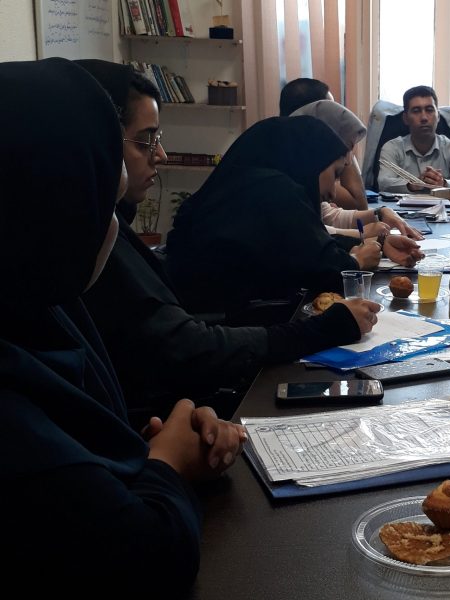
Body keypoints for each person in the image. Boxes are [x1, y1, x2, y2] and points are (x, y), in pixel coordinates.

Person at [0, 57, 245, 596]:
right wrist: (168, 462)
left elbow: (78, 449)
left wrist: (159, 439)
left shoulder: (44, 308)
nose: (109, 224)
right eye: (99, 202)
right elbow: (148, 556)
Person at [74, 60, 381, 425]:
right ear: (97, 142)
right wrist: (323, 329)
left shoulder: (108, 226)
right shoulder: (90, 241)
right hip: (174, 406)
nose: (161, 155)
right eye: (146, 140)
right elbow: (185, 348)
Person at [165, 115, 423, 315]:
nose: (333, 193)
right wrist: (355, 263)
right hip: (227, 325)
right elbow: (321, 267)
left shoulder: (254, 183)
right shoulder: (274, 190)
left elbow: (310, 242)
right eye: (334, 174)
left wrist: (378, 243)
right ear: (311, 162)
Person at [291, 99, 423, 239]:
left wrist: (380, 213)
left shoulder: (301, 182)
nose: (333, 193)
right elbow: (309, 232)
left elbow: (330, 217)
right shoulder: (283, 190)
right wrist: (361, 235)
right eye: (336, 174)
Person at [280, 77, 368, 210]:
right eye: (331, 110)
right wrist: (343, 142)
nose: (337, 115)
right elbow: (359, 204)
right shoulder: (300, 169)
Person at [377, 85, 450, 193]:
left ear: (438, 116)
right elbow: (383, 183)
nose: (424, 118)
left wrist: (444, 184)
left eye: (429, 110)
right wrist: (412, 184)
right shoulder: (392, 148)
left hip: (444, 204)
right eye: (416, 111)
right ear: (405, 118)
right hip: (404, 204)